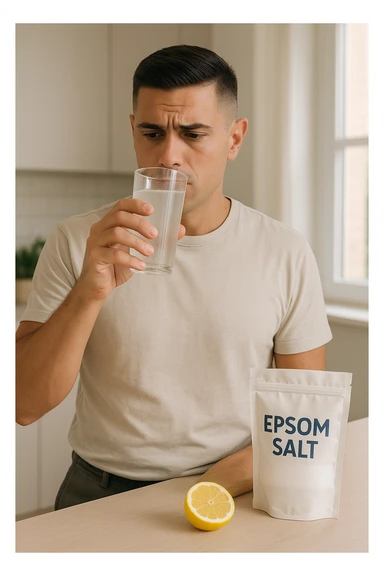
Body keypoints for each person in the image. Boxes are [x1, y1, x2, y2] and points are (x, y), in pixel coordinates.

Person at [16, 44, 332, 510]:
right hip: (98, 492)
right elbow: (24, 404)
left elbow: (305, 413)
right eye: (151, 132)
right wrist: (91, 290)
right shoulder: (78, 240)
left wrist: (222, 483)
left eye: (193, 133)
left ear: (235, 138)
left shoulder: (284, 251)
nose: (169, 156)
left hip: (234, 487)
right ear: (133, 131)